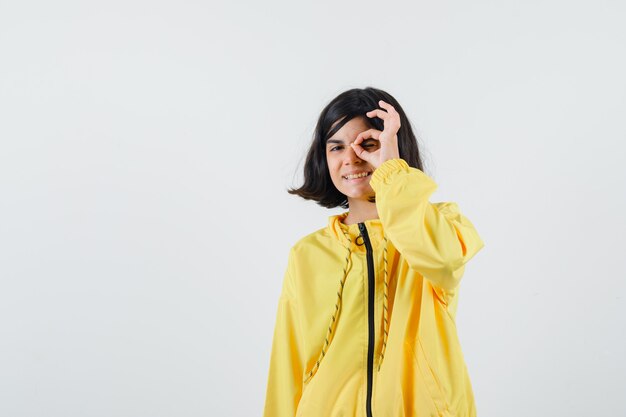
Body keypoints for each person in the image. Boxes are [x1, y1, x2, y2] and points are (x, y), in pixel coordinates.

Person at [262, 87, 485, 417]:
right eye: (336, 146)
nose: (350, 158)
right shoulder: (307, 254)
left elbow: (443, 261)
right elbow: (287, 363)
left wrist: (391, 172)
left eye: (367, 144)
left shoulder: (441, 225)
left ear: (393, 149)